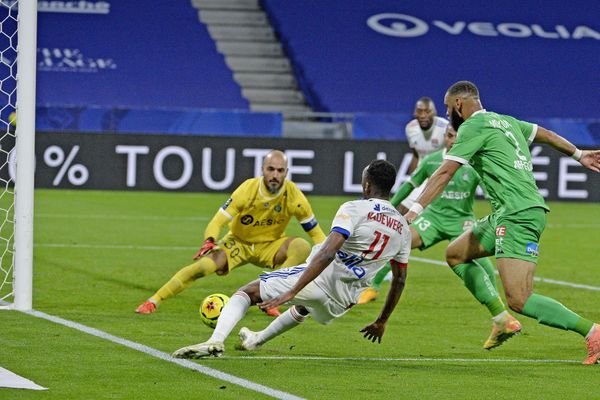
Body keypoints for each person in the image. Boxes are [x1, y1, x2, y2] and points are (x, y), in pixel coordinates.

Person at [405, 80, 600, 364]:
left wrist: (414, 210)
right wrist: (578, 154)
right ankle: (499, 318)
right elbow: (543, 134)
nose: (447, 115)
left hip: (518, 215)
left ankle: (592, 332)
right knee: (456, 253)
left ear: (458, 104)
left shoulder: (472, 126)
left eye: (448, 108)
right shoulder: (506, 121)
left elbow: (445, 172)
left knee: (520, 299)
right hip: (507, 212)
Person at [171, 159, 412, 359]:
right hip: (344, 300)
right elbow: (399, 280)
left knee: (248, 292)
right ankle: (256, 340)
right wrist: (382, 321)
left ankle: (215, 341)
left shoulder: (355, 208)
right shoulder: (402, 227)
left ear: (367, 185)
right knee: (304, 306)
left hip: (319, 281)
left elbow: (328, 253)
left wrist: (293, 289)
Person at [360, 125, 511, 349]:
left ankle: (497, 305)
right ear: (445, 137)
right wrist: (388, 208)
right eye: (450, 136)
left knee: (480, 260)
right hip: (433, 218)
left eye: (458, 138)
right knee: (399, 242)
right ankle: (373, 287)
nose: (453, 141)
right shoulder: (431, 161)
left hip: (462, 220)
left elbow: (492, 191)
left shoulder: (473, 163)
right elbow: (410, 184)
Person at [135, 150, 326, 317]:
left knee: (302, 246)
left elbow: (317, 235)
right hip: (238, 243)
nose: (275, 174)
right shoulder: (247, 190)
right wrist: (209, 240)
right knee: (202, 268)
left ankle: (271, 297)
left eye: (280, 170)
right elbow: (218, 221)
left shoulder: (295, 196)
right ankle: (153, 301)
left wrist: (330, 259)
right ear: (262, 169)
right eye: (270, 169)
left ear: (286, 172)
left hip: (270, 246)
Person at [400, 97, 448, 214]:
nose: (422, 115)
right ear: (414, 113)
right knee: (402, 209)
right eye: (419, 111)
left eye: (427, 111)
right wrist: (411, 178)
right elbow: (416, 155)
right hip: (422, 178)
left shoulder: (445, 128)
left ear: (434, 113)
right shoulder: (410, 128)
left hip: (441, 179)